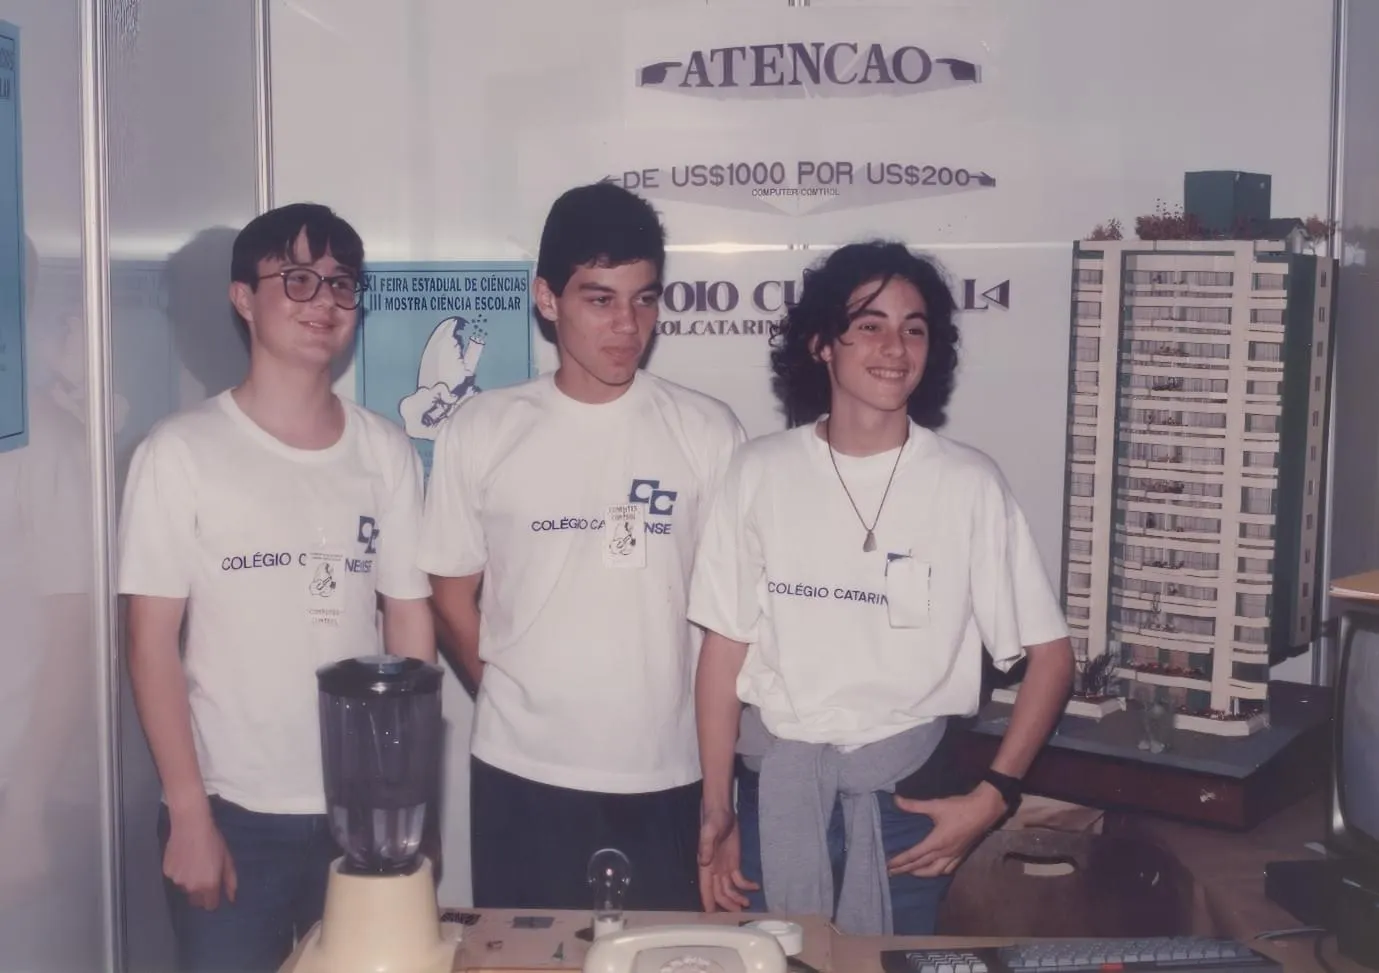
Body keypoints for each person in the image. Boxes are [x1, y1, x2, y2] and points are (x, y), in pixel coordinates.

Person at [690, 241, 1074, 936]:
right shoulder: (758, 472)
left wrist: (993, 798)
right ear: (820, 344)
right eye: (868, 323)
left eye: (914, 326)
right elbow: (723, 649)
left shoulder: (967, 483)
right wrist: (718, 806)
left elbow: (1052, 657)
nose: (894, 345)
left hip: (909, 812)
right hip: (773, 796)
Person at [117, 203, 436, 973]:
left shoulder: (383, 450)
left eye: (341, 284)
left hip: (361, 819)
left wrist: (407, 802)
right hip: (232, 812)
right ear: (241, 297)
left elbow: (409, 624)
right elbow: (149, 642)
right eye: (296, 278)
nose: (323, 300)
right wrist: (188, 810)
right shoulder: (181, 451)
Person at [419, 181, 746, 911]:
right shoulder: (483, 427)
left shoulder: (707, 431)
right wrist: (511, 692)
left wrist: (720, 790)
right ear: (546, 298)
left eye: (644, 298)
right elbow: (447, 590)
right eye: (599, 298)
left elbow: (730, 620)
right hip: (520, 772)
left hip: (671, 773)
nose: (626, 324)